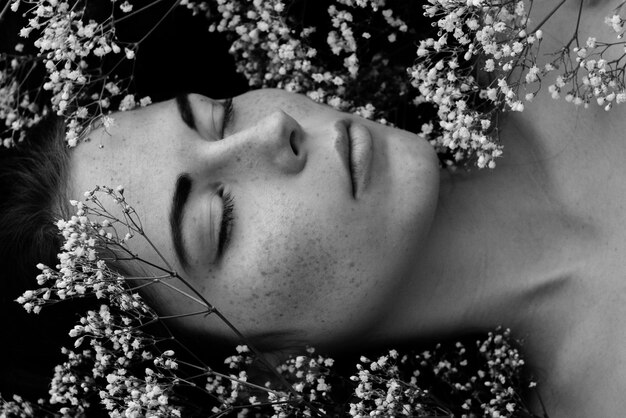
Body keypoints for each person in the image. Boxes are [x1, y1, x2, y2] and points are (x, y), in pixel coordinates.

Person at [3, 1, 626, 417]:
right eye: (218, 221)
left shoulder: (557, 30)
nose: (272, 131)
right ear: (264, 368)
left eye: (218, 113)